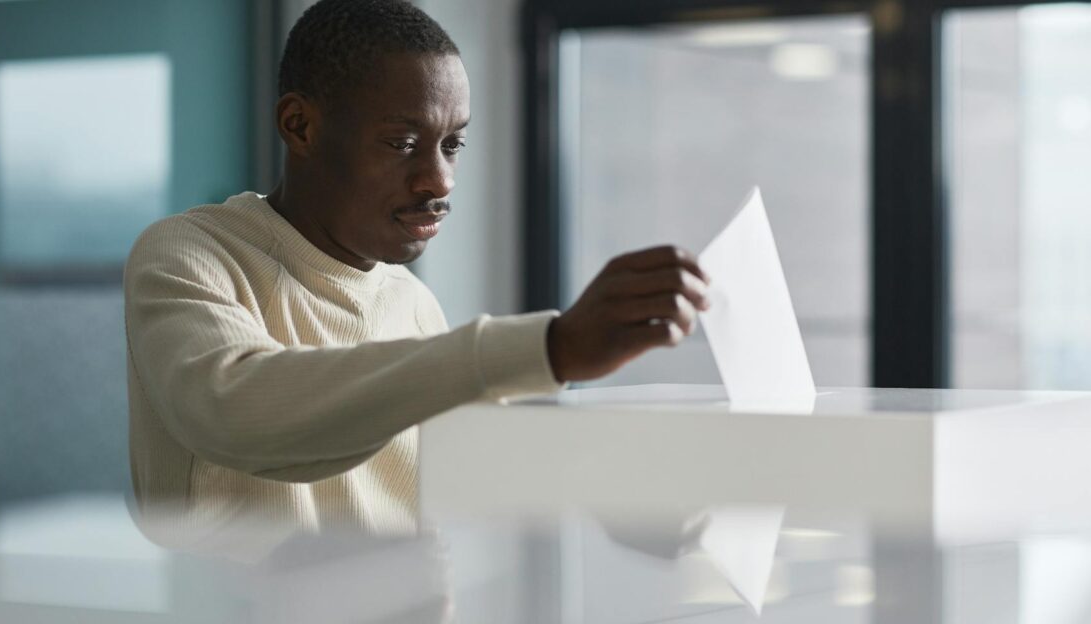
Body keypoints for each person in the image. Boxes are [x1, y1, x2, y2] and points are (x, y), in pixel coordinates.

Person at [123, 0, 709, 552]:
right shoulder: (191, 253)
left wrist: (617, 500)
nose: (440, 181)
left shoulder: (412, 303)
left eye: (451, 144)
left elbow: (483, 475)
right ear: (300, 125)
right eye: (403, 143)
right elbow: (236, 411)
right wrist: (550, 345)